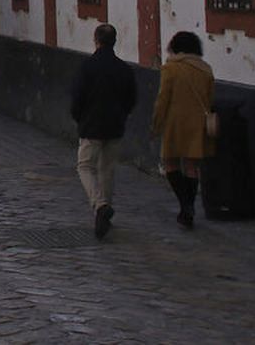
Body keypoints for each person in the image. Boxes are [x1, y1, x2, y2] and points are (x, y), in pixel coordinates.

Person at [69, 23, 138, 240]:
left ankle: (100, 205)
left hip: (91, 124)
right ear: (115, 41)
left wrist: (79, 118)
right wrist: (122, 114)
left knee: (85, 166)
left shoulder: (88, 66)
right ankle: (104, 213)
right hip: (115, 124)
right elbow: (131, 98)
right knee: (107, 169)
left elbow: (77, 97)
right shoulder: (124, 68)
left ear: (96, 40)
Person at [150, 31, 215, 229]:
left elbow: (163, 99)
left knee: (170, 164)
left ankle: (185, 205)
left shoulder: (171, 69)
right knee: (191, 167)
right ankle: (190, 206)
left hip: (175, 123)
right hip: (197, 124)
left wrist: (156, 124)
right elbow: (209, 99)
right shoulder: (206, 70)